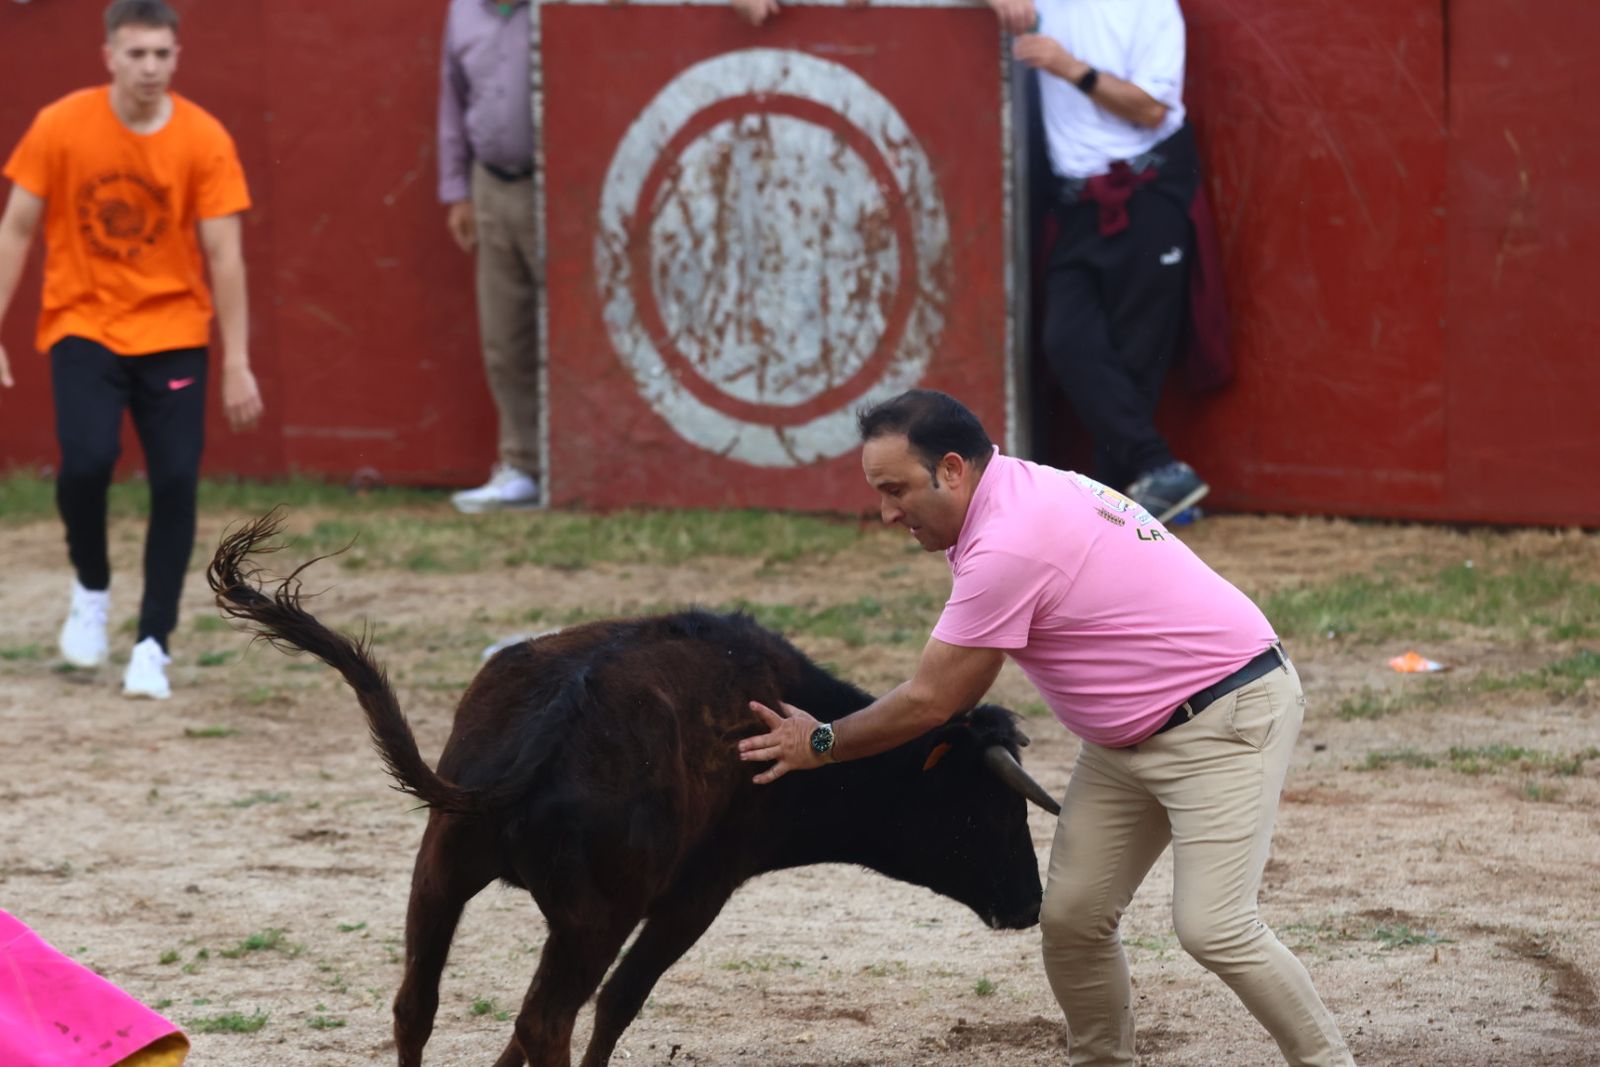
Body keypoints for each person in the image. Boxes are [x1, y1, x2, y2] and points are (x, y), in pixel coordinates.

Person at [739, 390, 1355, 1066]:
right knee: (1073, 921)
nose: (886, 512)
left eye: (895, 490)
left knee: (1215, 926)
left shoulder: (1007, 542)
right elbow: (960, 686)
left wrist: (821, 741)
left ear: (951, 469)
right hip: (1127, 737)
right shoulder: (1007, 496)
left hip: (1225, 714)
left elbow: (933, 700)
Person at [0, 0, 263, 700]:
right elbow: (17, 228)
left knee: (175, 482)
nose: (151, 67)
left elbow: (225, 256)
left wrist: (236, 359)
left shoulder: (204, 139)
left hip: (174, 333)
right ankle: (91, 585)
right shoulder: (61, 124)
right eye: (137, 53)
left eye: (163, 54)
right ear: (109, 56)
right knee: (86, 463)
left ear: (178, 57)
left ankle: (153, 643)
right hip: (82, 323)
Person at [994, 0, 1210, 522]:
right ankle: (1157, 473)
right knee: (1066, 340)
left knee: (1134, 357)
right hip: (1076, 201)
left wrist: (1068, 66)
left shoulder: (1152, 9)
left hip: (1145, 188)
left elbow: (1152, 108)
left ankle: (1120, 502)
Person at [438, 0, 543, 513]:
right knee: (505, 335)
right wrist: (457, 189)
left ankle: (577, 464)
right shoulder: (463, 11)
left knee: (572, 330)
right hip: (492, 183)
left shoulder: (558, 8)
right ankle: (522, 465)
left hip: (559, 180)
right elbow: (452, 100)